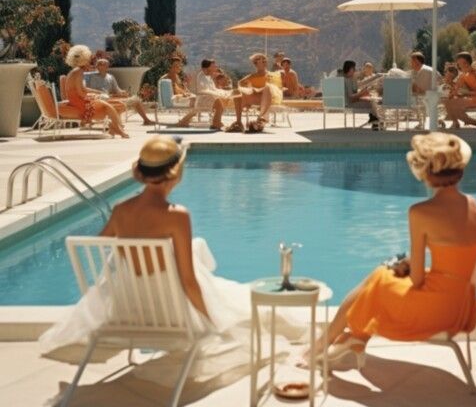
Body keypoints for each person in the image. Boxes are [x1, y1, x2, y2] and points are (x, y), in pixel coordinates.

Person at [39, 136, 302, 376]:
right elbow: (188, 281)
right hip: (172, 313)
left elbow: (98, 245)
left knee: (196, 252)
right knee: (237, 307)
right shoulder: (176, 217)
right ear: (175, 174)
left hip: (128, 308)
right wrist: (211, 321)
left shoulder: (121, 210)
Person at [310, 133, 476, 366]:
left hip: (434, 312)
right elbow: (462, 260)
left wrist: (403, 268)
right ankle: (351, 339)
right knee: (381, 277)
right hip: (463, 308)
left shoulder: (421, 212)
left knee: (380, 275)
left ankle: (336, 342)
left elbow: (418, 280)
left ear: (425, 174)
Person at [63, 45, 129, 138]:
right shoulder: (78, 72)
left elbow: (84, 89)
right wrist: (93, 97)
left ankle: (115, 128)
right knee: (108, 106)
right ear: (84, 58)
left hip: (76, 99)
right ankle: (117, 129)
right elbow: (80, 93)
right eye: (88, 58)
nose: (90, 60)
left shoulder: (76, 71)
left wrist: (98, 92)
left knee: (112, 105)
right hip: (78, 101)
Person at [85, 58, 154, 126]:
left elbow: (117, 90)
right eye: (100, 64)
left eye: (105, 64)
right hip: (102, 99)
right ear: (97, 66)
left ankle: (146, 120)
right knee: (118, 104)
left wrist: (123, 92)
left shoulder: (110, 77)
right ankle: (116, 124)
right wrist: (109, 95)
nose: (102, 65)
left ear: (107, 66)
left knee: (135, 100)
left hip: (112, 98)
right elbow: (93, 91)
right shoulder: (93, 77)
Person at [225, 53, 281, 133]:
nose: (264, 62)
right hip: (255, 97)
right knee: (237, 91)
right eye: (261, 61)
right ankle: (238, 122)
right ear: (255, 63)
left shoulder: (272, 75)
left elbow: (276, 88)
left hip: (269, 97)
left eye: (265, 60)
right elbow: (239, 84)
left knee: (267, 88)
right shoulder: (251, 76)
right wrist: (249, 89)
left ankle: (261, 120)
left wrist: (260, 89)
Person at [443, 51, 476, 130]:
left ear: (466, 63)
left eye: (459, 64)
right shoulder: (463, 75)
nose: (458, 66)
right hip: (471, 98)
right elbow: (456, 88)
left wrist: (466, 93)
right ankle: (456, 123)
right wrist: (451, 92)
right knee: (448, 101)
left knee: (455, 107)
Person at [192, 58, 244, 130]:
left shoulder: (209, 77)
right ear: (207, 68)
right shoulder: (201, 76)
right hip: (204, 99)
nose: (215, 68)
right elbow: (204, 90)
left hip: (213, 96)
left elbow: (214, 89)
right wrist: (220, 94)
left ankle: (239, 121)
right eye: (213, 66)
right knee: (219, 99)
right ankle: (216, 122)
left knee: (237, 93)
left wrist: (224, 93)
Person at [342, 59, 380, 129]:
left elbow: (354, 93)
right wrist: (362, 93)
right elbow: (351, 97)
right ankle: (376, 122)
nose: (355, 70)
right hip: (350, 103)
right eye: (354, 69)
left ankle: (374, 120)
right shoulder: (348, 80)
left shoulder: (345, 79)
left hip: (348, 102)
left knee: (370, 101)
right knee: (372, 102)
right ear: (350, 69)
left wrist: (362, 93)